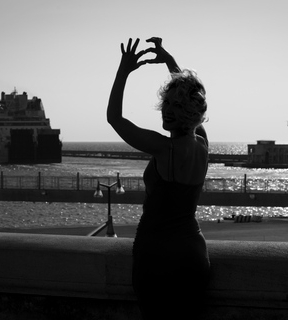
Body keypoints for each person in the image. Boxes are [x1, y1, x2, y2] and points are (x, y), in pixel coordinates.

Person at [107, 37, 210, 320]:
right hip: (193, 253)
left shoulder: (164, 148)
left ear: (187, 112)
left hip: (157, 257)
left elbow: (115, 119)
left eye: (176, 106)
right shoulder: (202, 144)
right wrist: (169, 61)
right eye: (166, 102)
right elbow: (189, 94)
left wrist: (123, 71)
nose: (167, 109)